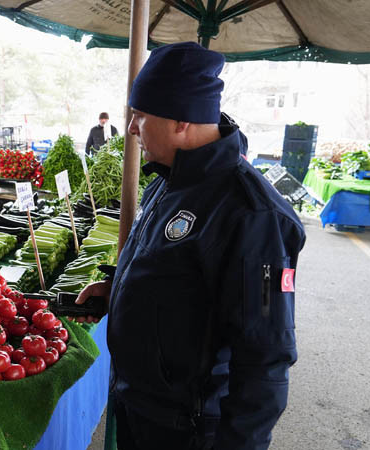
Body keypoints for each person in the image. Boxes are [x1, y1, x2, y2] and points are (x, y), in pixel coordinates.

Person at [76, 42, 306, 450]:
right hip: (139, 403)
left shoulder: (254, 216)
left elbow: (266, 356)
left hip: (187, 428)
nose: (131, 128)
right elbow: (174, 272)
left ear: (181, 121)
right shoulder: (170, 179)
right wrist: (120, 290)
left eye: (140, 116)